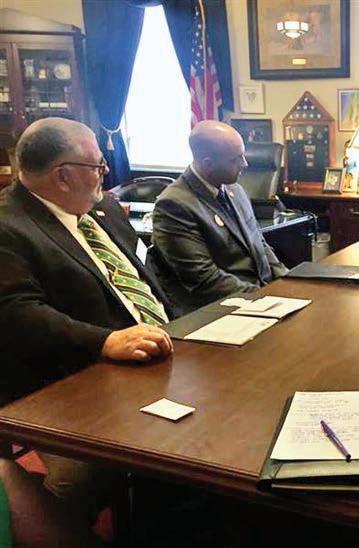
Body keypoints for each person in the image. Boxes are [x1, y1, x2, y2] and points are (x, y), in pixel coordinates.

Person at [0, 118, 174, 520]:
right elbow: (17, 313)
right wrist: (104, 341)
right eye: (97, 165)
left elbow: (140, 276)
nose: (106, 171)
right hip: (68, 378)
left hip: (150, 355)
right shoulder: (8, 227)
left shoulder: (103, 208)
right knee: (88, 476)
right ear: (63, 176)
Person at [152, 121, 288, 314]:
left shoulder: (235, 189)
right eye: (236, 159)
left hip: (261, 298)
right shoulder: (174, 205)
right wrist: (264, 297)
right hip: (222, 309)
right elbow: (204, 280)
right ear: (208, 163)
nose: (245, 164)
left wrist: (287, 281)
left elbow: (259, 244)